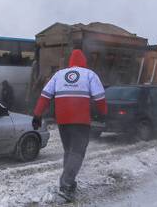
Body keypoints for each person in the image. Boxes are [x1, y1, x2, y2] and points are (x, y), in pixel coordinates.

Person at [32, 49, 107, 201]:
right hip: (81, 121)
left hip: (63, 121)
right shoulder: (89, 74)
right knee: (77, 153)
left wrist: (37, 115)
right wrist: (103, 113)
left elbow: (44, 96)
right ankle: (65, 185)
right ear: (84, 62)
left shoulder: (59, 75)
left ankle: (69, 183)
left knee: (69, 151)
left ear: (70, 62)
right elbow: (100, 97)